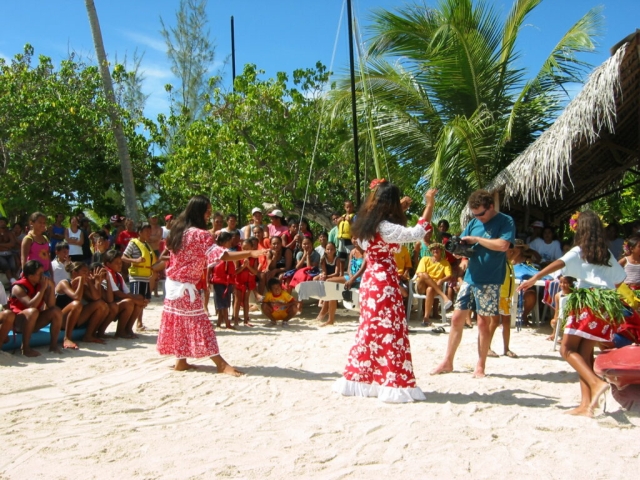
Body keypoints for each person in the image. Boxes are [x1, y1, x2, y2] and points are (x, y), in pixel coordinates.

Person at [333, 181, 437, 403]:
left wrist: (399, 210)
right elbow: (417, 232)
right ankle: (391, 381)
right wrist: (429, 205)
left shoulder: (366, 226)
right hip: (384, 284)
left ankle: (363, 379)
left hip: (370, 281)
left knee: (370, 331)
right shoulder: (385, 228)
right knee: (390, 331)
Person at [518, 211, 625, 417]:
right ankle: (587, 405)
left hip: (586, 302)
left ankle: (596, 383)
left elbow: (559, 263)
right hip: (604, 306)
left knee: (566, 349)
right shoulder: (605, 253)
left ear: (580, 229)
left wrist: (534, 278)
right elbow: (620, 280)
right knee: (584, 355)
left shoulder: (579, 250)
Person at [156, 195, 266, 373]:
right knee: (201, 324)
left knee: (180, 323)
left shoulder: (178, 230)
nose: (209, 214)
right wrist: (250, 253)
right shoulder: (200, 234)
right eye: (207, 211)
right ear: (199, 212)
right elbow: (224, 255)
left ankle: (181, 362)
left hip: (173, 285)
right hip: (183, 287)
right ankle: (220, 364)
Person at [432, 190, 515, 378]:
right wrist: (461, 253)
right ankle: (447, 361)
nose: (478, 218)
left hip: (490, 279)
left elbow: (503, 245)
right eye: (475, 214)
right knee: (456, 318)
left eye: (481, 214)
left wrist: (477, 239)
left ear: (491, 207)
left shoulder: (505, 221)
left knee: (483, 322)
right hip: (470, 277)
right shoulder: (474, 222)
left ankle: (480, 365)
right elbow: (465, 244)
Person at [9, 260, 63, 356]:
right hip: (18, 322)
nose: (43, 276)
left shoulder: (40, 284)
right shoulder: (18, 287)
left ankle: (53, 346)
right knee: (32, 311)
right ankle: (25, 348)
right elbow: (31, 305)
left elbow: (51, 305)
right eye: (40, 274)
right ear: (30, 276)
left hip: (34, 320)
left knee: (56, 311)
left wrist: (51, 287)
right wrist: (42, 289)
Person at [55, 261, 109, 348]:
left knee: (102, 305)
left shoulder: (83, 286)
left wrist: (95, 282)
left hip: (75, 320)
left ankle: (89, 335)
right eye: (84, 272)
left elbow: (97, 298)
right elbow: (77, 297)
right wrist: (80, 280)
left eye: (88, 272)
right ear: (74, 273)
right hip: (59, 320)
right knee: (77, 304)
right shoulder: (64, 283)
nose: (87, 274)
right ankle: (67, 338)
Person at [101, 250, 146, 339]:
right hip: (108, 303)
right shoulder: (107, 273)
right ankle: (120, 331)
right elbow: (118, 293)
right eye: (116, 263)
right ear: (108, 264)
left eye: (120, 262)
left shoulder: (118, 275)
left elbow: (127, 292)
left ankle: (128, 329)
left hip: (116, 301)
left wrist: (140, 300)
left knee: (140, 298)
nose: (120, 265)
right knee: (129, 302)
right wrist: (136, 300)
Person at [123, 223, 155, 332]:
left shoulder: (146, 245)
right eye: (146, 231)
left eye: (150, 231)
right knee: (137, 301)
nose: (149, 233)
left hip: (145, 276)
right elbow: (123, 257)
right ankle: (130, 325)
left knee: (143, 301)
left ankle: (139, 323)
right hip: (136, 276)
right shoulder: (133, 243)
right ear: (140, 232)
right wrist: (135, 260)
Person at [414, 242, 453, 324]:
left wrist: (441, 280)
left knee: (430, 289)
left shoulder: (445, 263)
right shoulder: (425, 259)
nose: (435, 250)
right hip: (421, 286)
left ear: (441, 250)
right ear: (431, 251)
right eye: (433, 249)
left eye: (437, 249)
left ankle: (426, 318)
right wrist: (430, 280)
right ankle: (443, 296)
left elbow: (449, 276)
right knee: (425, 275)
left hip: (434, 288)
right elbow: (419, 273)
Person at [209, 232, 236, 329]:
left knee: (222, 302)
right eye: (229, 241)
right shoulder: (221, 252)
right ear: (223, 242)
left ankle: (219, 322)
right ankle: (227, 323)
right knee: (223, 303)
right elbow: (210, 267)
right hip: (220, 281)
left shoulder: (223, 252)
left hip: (224, 280)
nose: (231, 243)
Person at [314, 242, 343, 326]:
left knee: (327, 283)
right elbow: (324, 271)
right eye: (328, 249)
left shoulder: (337, 259)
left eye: (331, 249)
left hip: (334, 277)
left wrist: (326, 276)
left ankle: (323, 307)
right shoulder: (323, 259)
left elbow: (336, 273)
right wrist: (323, 275)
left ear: (335, 250)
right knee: (315, 279)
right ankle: (321, 299)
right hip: (327, 276)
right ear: (325, 250)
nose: (330, 251)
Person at [234, 239, 259, 327]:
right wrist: (243, 266)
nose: (245, 250)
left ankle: (245, 320)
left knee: (246, 301)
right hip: (239, 281)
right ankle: (236, 320)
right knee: (237, 300)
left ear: (252, 248)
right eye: (243, 248)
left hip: (248, 282)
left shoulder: (254, 258)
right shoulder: (238, 257)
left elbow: (255, 272)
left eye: (247, 248)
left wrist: (248, 266)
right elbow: (235, 271)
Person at [546, 275, 576, 341]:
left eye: (565, 283)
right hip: (562, 318)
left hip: (573, 318)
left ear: (571, 283)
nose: (562, 285)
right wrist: (554, 333)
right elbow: (557, 312)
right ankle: (561, 335)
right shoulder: (558, 295)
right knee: (554, 322)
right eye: (561, 282)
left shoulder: (575, 295)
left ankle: (566, 338)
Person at [22, 212, 52, 276]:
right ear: (31, 223)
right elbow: (23, 259)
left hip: (46, 273)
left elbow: (48, 258)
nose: (42, 225)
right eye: (40, 222)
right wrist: (25, 275)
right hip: (34, 275)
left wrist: (51, 273)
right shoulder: (28, 239)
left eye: (44, 223)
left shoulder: (45, 238)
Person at [0, 216, 19, 281]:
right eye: (1, 222)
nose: (2, 224)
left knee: (13, 267)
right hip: (0, 254)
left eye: (4, 222)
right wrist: (7, 245)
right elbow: (10, 244)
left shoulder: (9, 233)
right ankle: (12, 281)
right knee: (6, 266)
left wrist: (1, 245)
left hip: (9, 253)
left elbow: (12, 244)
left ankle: (14, 281)